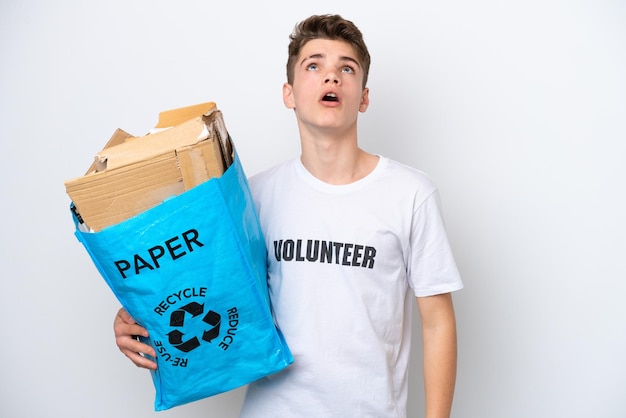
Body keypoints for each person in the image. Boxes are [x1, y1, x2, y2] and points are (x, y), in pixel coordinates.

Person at [114, 14, 463, 418]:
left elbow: (437, 324)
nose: (331, 77)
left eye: (346, 68)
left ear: (363, 97)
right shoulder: (253, 197)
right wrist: (137, 319)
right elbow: (204, 288)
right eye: (313, 65)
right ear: (289, 93)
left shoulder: (411, 194)